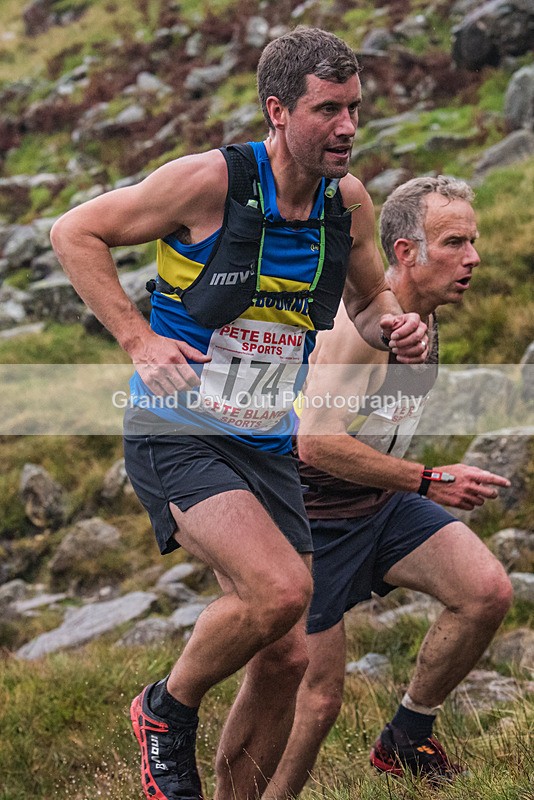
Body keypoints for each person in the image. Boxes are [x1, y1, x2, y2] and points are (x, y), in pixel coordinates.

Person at [49, 26, 430, 800]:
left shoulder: (344, 202)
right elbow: (73, 231)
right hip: (180, 430)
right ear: (278, 111)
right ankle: (163, 709)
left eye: (355, 108)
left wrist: (396, 322)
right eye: (329, 109)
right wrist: (136, 335)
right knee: (278, 591)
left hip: (265, 443)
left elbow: (366, 296)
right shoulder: (209, 182)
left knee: (287, 657)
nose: (349, 127)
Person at [264, 176, 514, 797]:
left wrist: (414, 487)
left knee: (485, 591)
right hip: (311, 523)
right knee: (318, 703)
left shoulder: (418, 318)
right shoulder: (362, 331)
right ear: (404, 253)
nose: (473, 258)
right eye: (454, 242)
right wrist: (429, 481)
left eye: (473, 241)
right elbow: (315, 442)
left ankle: (406, 739)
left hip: (379, 505)